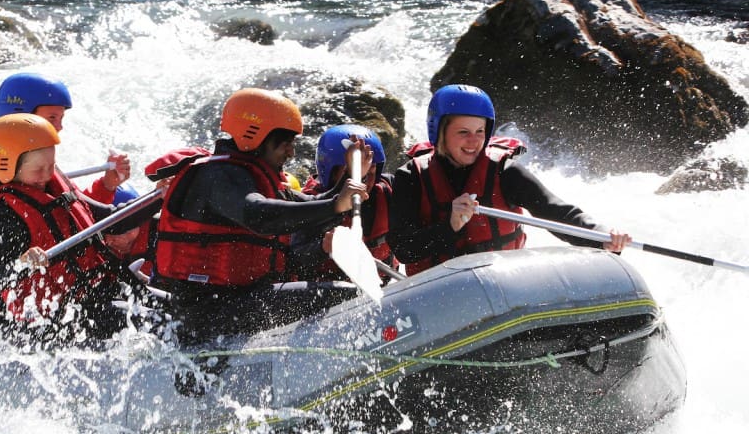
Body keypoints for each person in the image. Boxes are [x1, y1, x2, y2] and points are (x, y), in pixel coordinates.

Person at [151, 88, 369, 342]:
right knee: (344, 295)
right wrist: (335, 204)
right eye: (285, 143)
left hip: (242, 301)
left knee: (345, 293)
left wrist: (350, 181)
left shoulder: (256, 176)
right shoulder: (217, 176)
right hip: (208, 315)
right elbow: (258, 216)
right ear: (254, 136)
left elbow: (311, 209)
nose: (291, 153)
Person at [387, 84, 631, 276]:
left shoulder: (504, 171)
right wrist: (450, 225)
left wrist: (600, 236)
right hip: (439, 289)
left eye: (480, 132)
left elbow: (555, 212)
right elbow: (404, 250)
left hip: (500, 280)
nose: (474, 141)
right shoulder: (411, 178)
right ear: (439, 132)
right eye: (463, 132)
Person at [0, 113, 159, 349]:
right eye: (39, 169)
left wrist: (160, 198)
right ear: (6, 165)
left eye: (52, 165)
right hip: (49, 321)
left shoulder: (53, 186)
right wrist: (20, 263)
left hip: (93, 294)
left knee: (171, 309)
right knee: (152, 322)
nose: (48, 175)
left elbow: (112, 220)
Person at [0, 72, 131, 204]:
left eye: (61, 118)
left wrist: (107, 185)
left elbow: (78, 213)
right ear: (21, 116)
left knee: (125, 195)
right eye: (52, 118)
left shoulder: (44, 165)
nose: (59, 127)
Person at [297, 124, 397, 280]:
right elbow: (293, 259)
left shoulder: (388, 189)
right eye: (357, 171)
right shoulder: (307, 205)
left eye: (371, 171)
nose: (365, 181)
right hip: (330, 293)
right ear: (330, 172)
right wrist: (323, 248)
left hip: (385, 287)